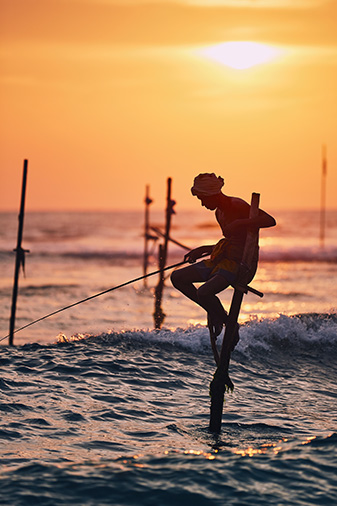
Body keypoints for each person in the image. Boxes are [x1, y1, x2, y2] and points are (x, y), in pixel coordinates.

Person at [171, 173, 276, 344]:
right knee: (177, 277)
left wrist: (240, 223)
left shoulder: (236, 204)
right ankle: (218, 315)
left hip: (239, 264)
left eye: (203, 199)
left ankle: (229, 324)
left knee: (204, 292)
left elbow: (270, 220)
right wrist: (203, 249)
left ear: (213, 194)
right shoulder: (218, 212)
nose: (203, 203)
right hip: (222, 260)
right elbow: (231, 242)